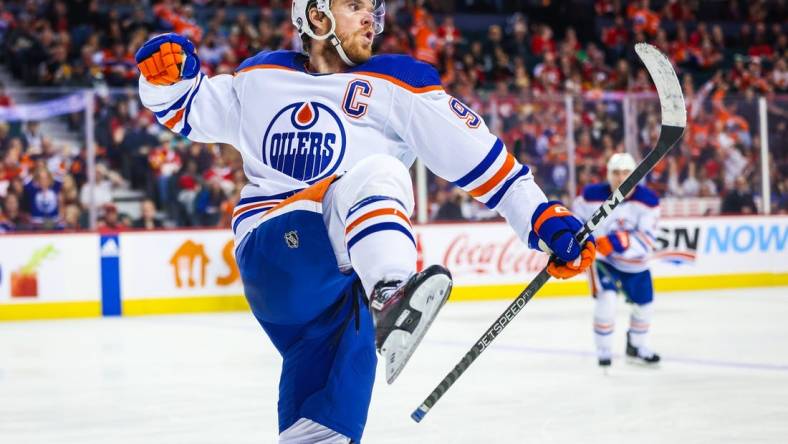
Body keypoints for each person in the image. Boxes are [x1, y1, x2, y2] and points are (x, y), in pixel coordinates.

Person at [135, 1, 595, 441]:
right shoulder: (261, 75)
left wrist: (542, 218)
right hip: (276, 249)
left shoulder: (401, 81)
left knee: (320, 432)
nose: (371, 20)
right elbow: (184, 108)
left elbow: (485, 162)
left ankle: (385, 301)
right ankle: (394, 293)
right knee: (381, 172)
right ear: (315, 15)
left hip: (341, 297)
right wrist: (165, 78)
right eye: (354, 7)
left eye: (373, 10)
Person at [573, 153, 661, 369]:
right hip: (604, 262)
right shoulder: (590, 195)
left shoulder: (648, 201)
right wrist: (585, 241)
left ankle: (637, 346)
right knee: (607, 300)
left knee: (644, 306)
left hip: (636, 263)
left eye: (626, 173)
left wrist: (616, 242)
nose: (621, 178)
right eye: (615, 173)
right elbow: (576, 221)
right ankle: (604, 351)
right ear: (607, 174)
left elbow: (647, 239)